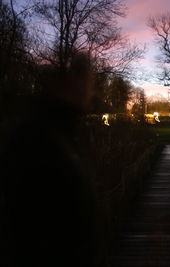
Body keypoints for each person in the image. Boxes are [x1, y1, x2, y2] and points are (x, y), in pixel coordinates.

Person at [1, 53, 97, 267]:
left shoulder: (67, 130)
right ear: (70, 83)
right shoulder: (36, 136)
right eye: (89, 82)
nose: (92, 92)